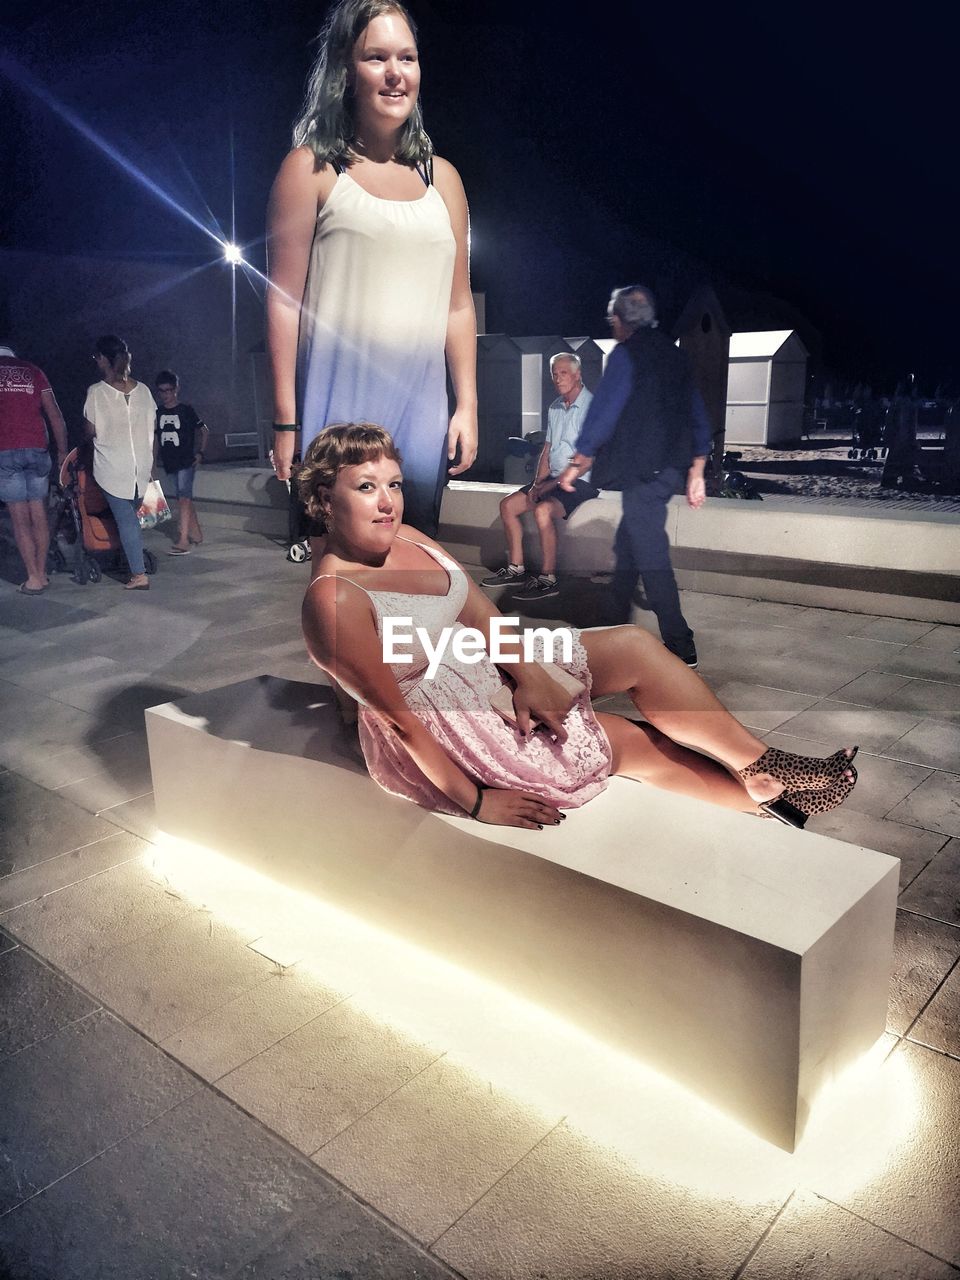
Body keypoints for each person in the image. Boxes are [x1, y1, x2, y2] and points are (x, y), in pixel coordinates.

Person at [300, 423, 858, 831]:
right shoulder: (334, 601)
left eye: (394, 485)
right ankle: (765, 798)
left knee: (635, 647)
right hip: (447, 723)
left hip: (480, 663)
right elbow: (399, 724)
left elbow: (478, 613)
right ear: (326, 498)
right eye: (366, 487)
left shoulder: (411, 538)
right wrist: (475, 801)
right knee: (629, 743)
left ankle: (759, 765)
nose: (388, 503)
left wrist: (531, 676)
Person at [266, 0, 478, 538]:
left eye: (406, 58)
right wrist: (286, 420)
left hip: (420, 428)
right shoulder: (311, 169)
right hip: (335, 427)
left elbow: (457, 305)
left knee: (416, 578)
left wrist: (467, 404)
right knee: (344, 595)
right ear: (346, 70)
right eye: (376, 57)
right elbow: (283, 300)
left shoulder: (444, 180)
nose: (394, 73)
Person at [558, 285, 710, 669]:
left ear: (621, 319)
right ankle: (611, 623)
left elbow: (605, 410)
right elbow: (695, 411)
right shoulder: (675, 355)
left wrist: (580, 460)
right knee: (629, 546)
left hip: (644, 471)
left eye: (613, 317)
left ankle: (680, 641)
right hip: (668, 468)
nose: (611, 323)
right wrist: (697, 469)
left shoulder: (626, 355)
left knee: (651, 553)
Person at [481, 353, 598, 602]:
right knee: (508, 505)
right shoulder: (555, 407)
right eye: (554, 374)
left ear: (578, 375)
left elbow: (585, 460)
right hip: (552, 479)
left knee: (543, 510)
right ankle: (516, 568)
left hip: (580, 481)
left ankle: (548, 579)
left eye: (563, 373)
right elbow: (547, 449)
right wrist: (536, 484)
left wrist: (549, 486)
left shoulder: (592, 407)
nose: (557, 378)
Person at [83, 335, 155, 590]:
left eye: (96, 357)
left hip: (112, 467)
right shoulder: (144, 391)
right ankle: (133, 560)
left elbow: (90, 431)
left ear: (103, 358)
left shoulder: (96, 393)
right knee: (131, 520)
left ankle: (138, 573)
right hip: (140, 467)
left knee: (126, 521)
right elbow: (150, 431)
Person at [0, 342, 68, 594]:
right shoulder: (33, 371)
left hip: (5, 451)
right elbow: (55, 415)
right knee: (38, 513)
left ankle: (33, 578)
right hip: (37, 449)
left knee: (20, 520)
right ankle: (42, 571)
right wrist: (62, 453)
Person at [154, 369, 209, 554]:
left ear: (176, 389)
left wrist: (200, 453)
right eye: (161, 391)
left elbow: (204, 430)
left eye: (168, 390)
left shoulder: (186, 410)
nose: (165, 394)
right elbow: (156, 438)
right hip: (170, 461)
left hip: (186, 460)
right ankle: (196, 534)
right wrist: (153, 462)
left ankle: (183, 539)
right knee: (183, 497)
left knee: (183, 497)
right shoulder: (158, 412)